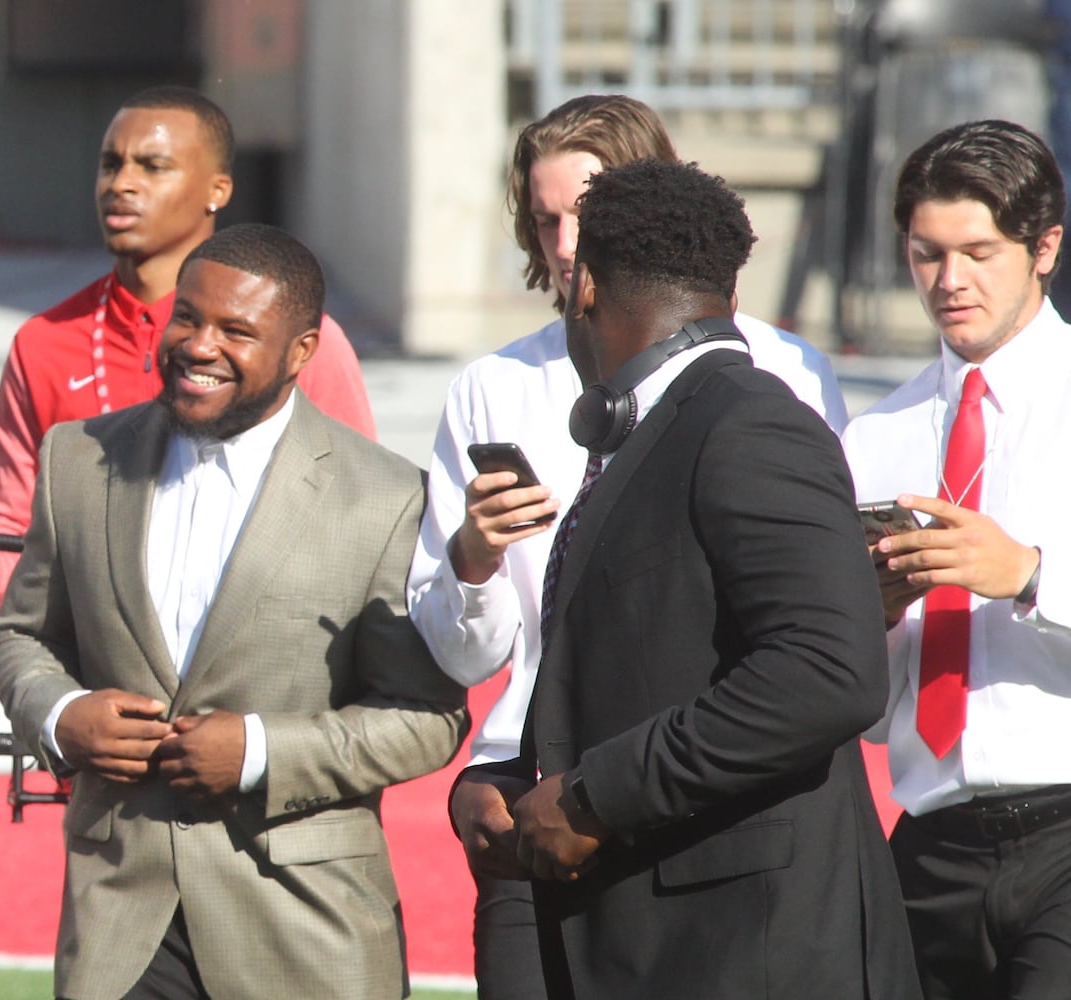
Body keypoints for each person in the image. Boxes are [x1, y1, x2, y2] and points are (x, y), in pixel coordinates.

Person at [404, 93, 848, 1000]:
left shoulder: (778, 379)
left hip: (699, 795)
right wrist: (473, 561)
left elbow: (817, 644)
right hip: (532, 794)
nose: (567, 244)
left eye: (587, 215)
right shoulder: (493, 387)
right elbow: (463, 652)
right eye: (545, 219)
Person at [0, 223, 467, 1000]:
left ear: (303, 351)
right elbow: (23, 638)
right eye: (187, 317)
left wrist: (257, 752)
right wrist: (62, 716)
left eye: (236, 331)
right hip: (120, 929)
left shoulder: (387, 496)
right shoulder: (75, 460)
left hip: (305, 932)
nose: (198, 344)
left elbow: (427, 718)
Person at [0, 85, 375, 629]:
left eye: (152, 166)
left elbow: (357, 511)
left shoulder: (299, 339)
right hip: (98, 681)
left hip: (253, 669)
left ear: (217, 189)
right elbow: (14, 530)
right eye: (110, 164)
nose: (121, 183)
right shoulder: (44, 342)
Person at [845, 119, 1071, 1000]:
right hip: (932, 836)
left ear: (1045, 246)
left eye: (978, 251)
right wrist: (875, 611)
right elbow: (867, 714)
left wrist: (1029, 575)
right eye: (926, 253)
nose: (950, 282)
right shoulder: (877, 434)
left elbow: (1020, 572)